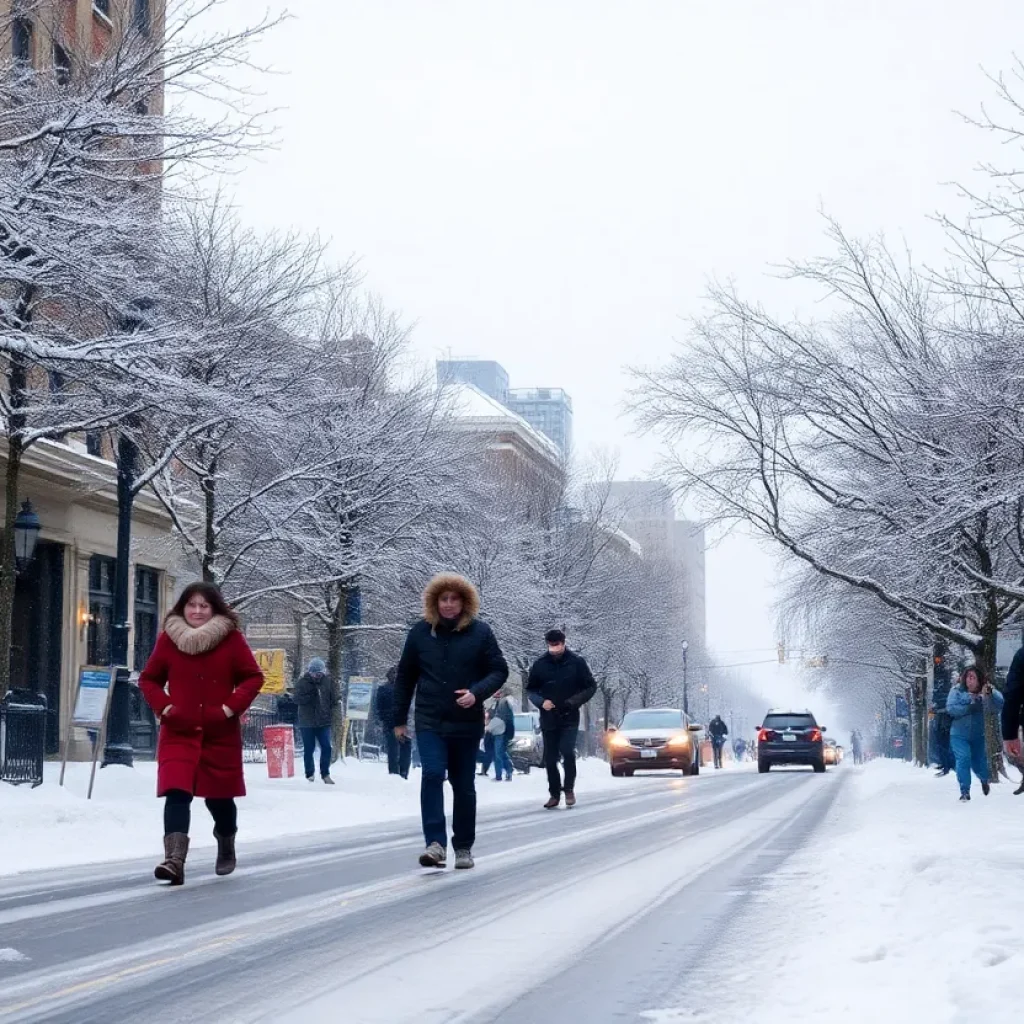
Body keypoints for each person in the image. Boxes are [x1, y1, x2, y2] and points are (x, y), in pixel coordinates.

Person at [139, 582, 264, 886]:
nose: (197, 611)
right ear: (182, 607)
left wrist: (228, 709)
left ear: (214, 609)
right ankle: (174, 861)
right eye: (191, 605)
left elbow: (253, 677)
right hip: (178, 730)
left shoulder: (231, 640)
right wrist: (166, 708)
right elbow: (149, 679)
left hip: (219, 733)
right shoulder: (168, 640)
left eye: (203, 606)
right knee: (177, 792)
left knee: (218, 800)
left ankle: (226, 840)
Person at [393, 573, 508, 870]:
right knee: (432, 774)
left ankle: (464, 846)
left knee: (463, 784)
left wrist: (476, 692)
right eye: (443, 599)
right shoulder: (420, 633)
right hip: (430, 719)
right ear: (434, 602)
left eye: (454, 599)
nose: (448, 604)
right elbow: (405, 677)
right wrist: (399, 719)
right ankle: (435, 843)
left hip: (466, 721)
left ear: (464, 602)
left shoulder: (481, 633)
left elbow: (499, 670)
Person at [527, 629, 597, 809]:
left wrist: (573, 702)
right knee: (550, 759)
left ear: (564, 643)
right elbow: (531, 690)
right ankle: (554, 793)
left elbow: (590, 687)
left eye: (557, 645)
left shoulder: (576, 663)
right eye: (551, 645)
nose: (554, 648)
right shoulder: (540, 664)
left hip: (569, 716)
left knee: (567, 751)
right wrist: (541, 702)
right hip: (548, 717)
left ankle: (569, 789)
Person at [947, 667, 1004, 802]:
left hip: (978, 734)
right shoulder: (957, 691)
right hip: (958, 734)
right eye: (968, 677)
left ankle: (984, 780)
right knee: (964, 758)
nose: (969, 680)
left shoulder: (985, 692)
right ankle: (965, 790)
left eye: (973, 677)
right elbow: (951, 708)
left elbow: (999, 703)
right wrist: (968, 706)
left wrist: (991, 692)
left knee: (979, 762)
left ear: (979, 680)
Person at [294, 657, 339, 784]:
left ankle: (325, 773)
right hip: (307, 722)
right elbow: (296, 699)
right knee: (309, 748)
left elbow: (334, 698)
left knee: (327, 747)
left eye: (320, 673)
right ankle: (310, 773)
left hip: (324, 721)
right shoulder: (302, 683)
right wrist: (310, 696)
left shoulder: (327, 682)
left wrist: (335, 703)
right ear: (310, 672)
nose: (317, 676)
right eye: (315, 673)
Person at [375, 667, 411, 779]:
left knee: (392, 748)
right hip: (405, 722)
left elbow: (378, 707)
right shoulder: (407, 688)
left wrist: (381, 720)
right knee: (405, 747)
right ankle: (404, 772)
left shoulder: (383, 689)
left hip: (389, 722)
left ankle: (394, 772)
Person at [487, 689, 516, 782]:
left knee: (498, 753)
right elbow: (489, 713)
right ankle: (508, 770)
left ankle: (499, 775)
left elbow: (508, 717)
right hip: (494, 729)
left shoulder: (505, 702)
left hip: (501, 730)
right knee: (500, 752)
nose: (496, 694)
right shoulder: (494, 703)